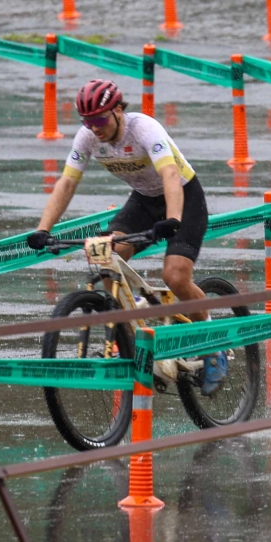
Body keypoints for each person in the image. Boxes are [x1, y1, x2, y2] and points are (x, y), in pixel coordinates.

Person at [26, 79, 227, 389]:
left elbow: (170, 173)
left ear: (118, 110)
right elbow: (67, 182)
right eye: (87, 121)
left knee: (175, 276)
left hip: (183, 197)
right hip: (143, 200)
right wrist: (43, 229)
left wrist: (173, 218)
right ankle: (136, 340)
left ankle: (215, 346)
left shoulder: (144, 129)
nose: (94, 127)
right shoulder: (88, 138)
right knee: (107, 256)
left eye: (100, 119)